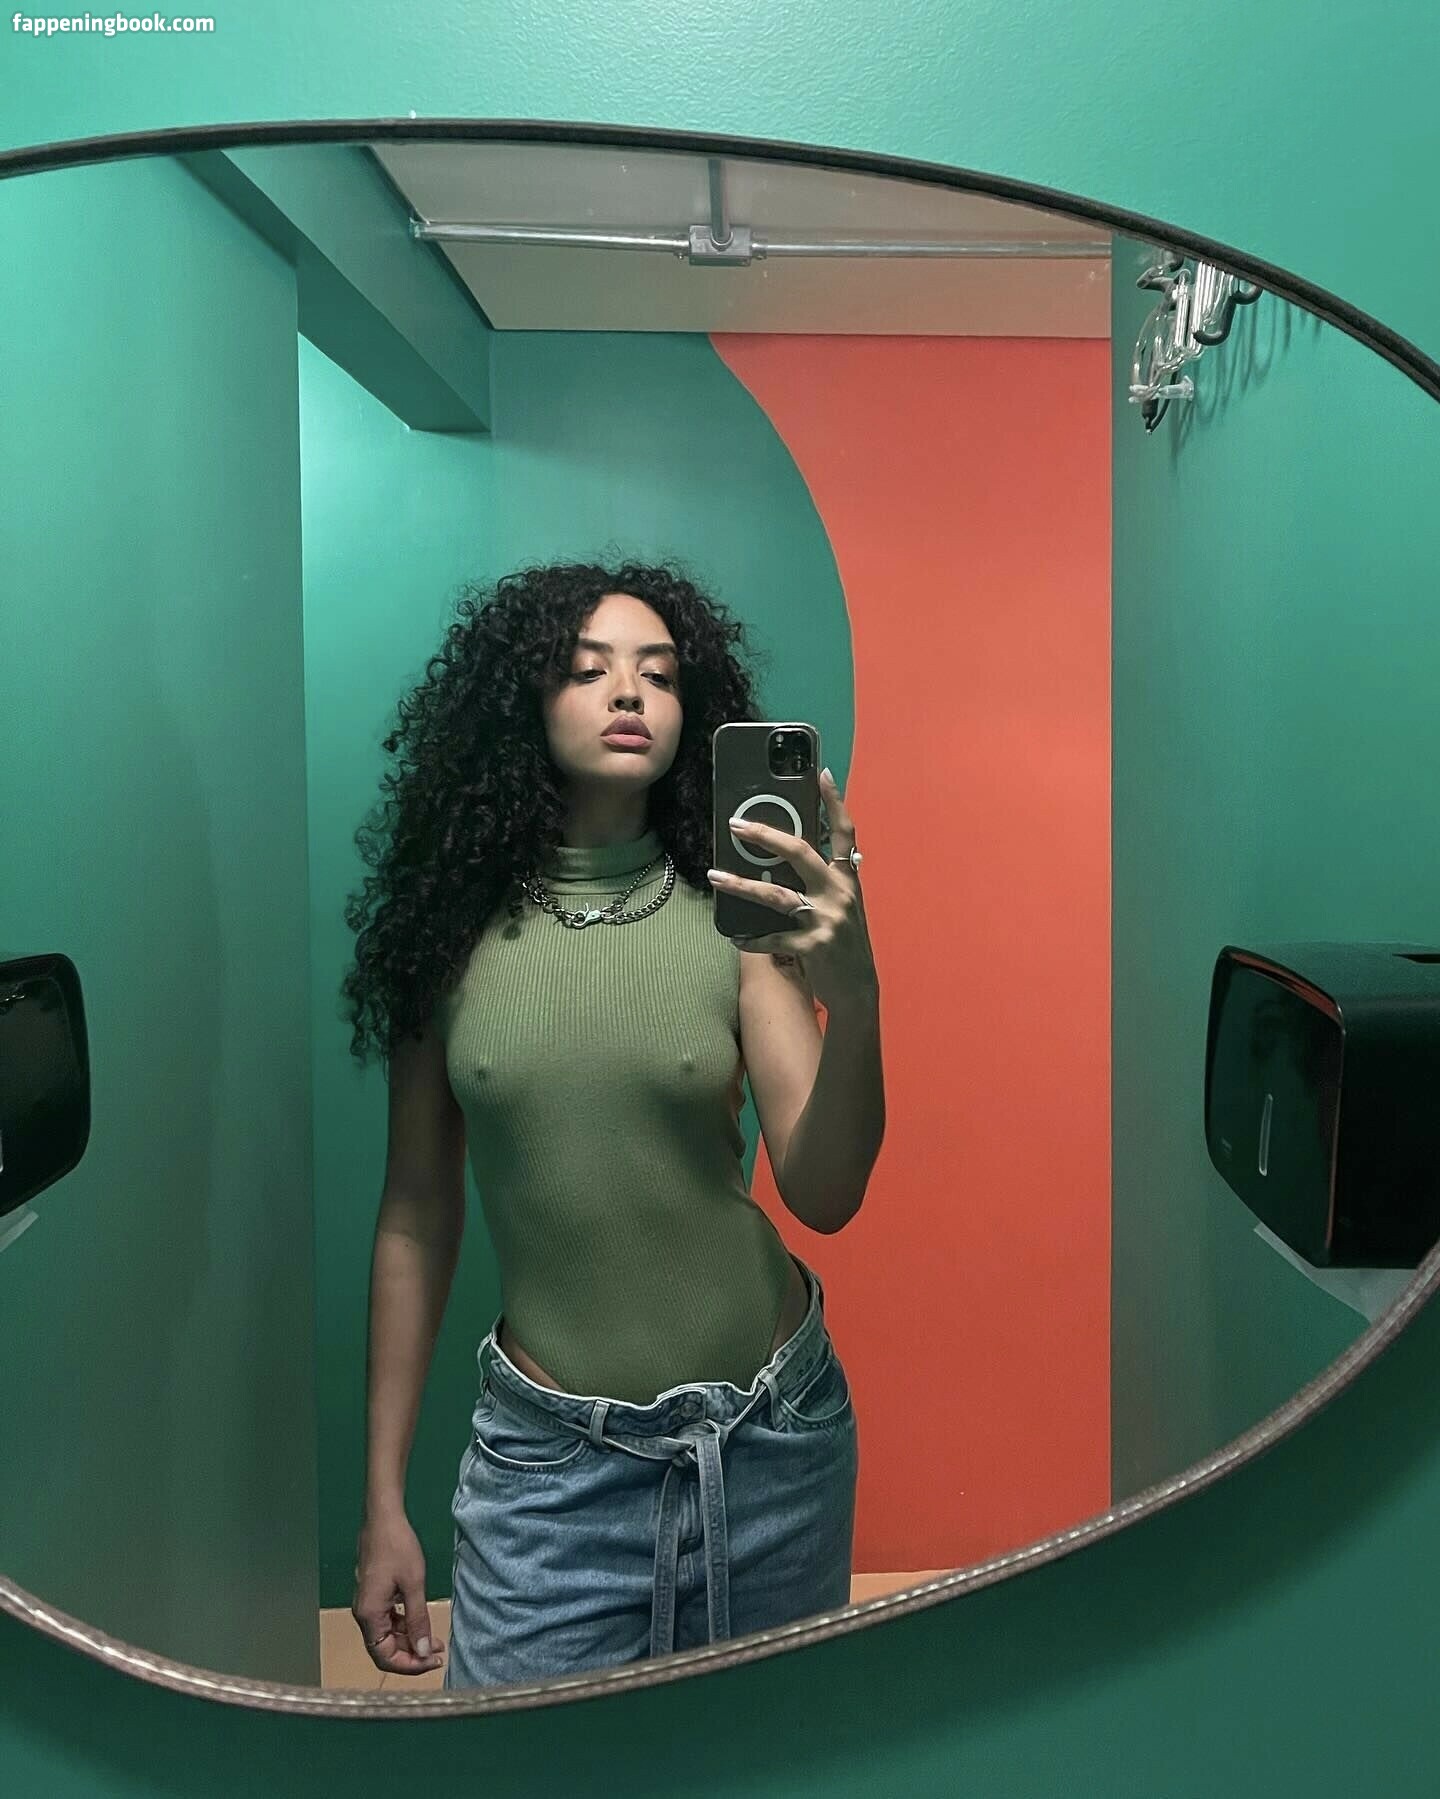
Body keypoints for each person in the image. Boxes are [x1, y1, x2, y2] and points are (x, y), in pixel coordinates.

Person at [343, 558, 885, 1688]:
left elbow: (826, 1192)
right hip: (555, 1479)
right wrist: (382, 1497)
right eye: (587, 670)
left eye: (660, 674)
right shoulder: (445, 937)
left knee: (773, 1764)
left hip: (771, 1445)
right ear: (524, 703)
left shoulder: (739, 919)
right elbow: (416, 1213)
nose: (630, 692)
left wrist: (859, 997)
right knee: (518, 1766)